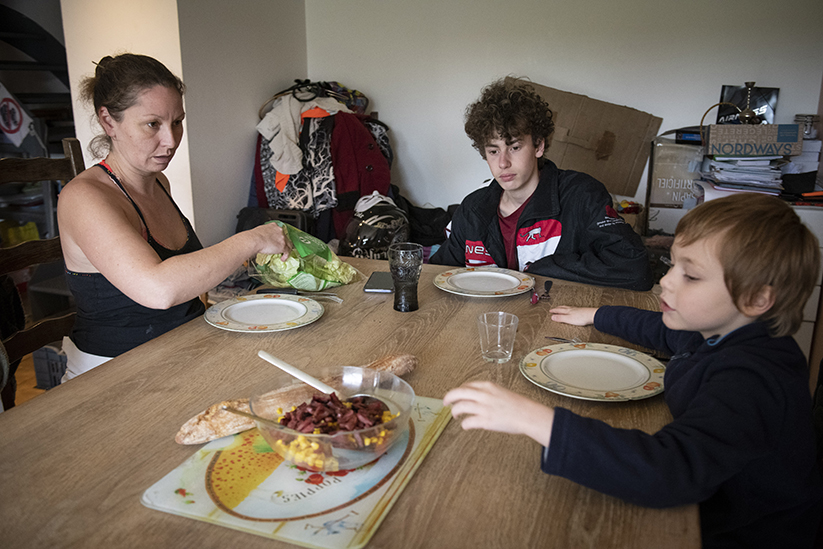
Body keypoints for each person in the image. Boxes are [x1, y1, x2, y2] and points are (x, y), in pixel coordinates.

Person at [444, 193, 822, 548]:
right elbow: (660, 329)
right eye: (673, 266)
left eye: (691, 276)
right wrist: (597, 314)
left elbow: (669, 469)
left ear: (757, 298)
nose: (665, 282)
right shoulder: (721, 330)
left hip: (742, 534)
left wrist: (537, 420)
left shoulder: (752, 379)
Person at [57, 53, 291, 380]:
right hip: (114, 372)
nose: (170, 141)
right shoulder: (84, 198)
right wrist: (252, 239)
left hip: (184, 350)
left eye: (177, 122)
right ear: (109, 121)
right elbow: (158, 290)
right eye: (153, 124)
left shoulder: (157, 183)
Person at [430, 78, 653, 291]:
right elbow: (437, 274)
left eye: (514, 147)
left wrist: (543, 270)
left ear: (538, 146)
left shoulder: (581, 195)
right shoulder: (473, 209)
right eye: (493, 151)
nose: (503, 163)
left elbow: (634, 267)